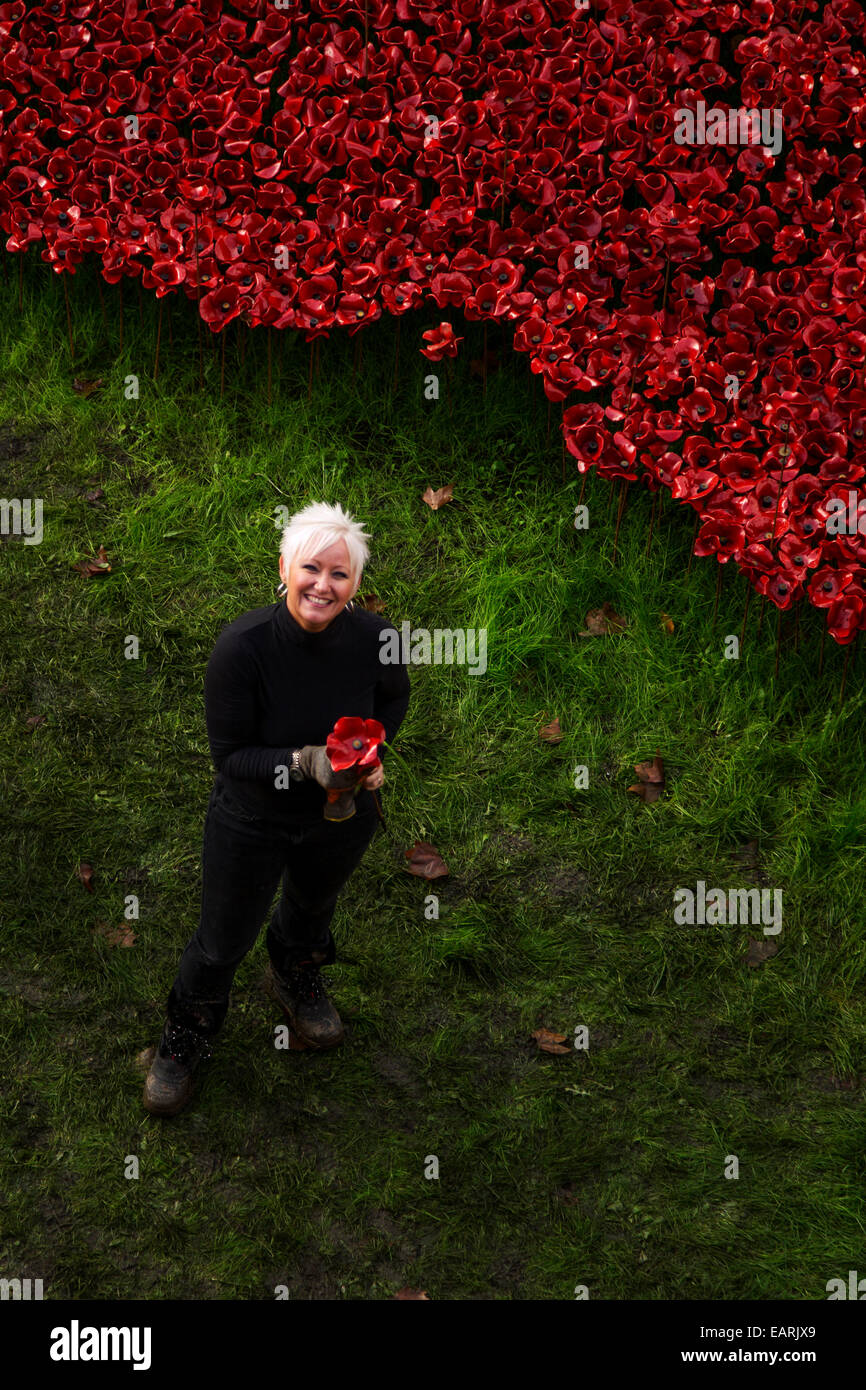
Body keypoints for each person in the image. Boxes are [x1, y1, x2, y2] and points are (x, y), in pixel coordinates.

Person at [143, 501, 411, 1116]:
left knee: (313, 907)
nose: (323, 585)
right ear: (285, 568)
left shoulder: (378, 640)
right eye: (311, 568)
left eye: (339, 574)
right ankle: (186, 1034)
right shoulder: (243, 648)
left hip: (340, 815)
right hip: (251, 819)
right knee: (221, 940)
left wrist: (370, 753)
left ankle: (294, 974)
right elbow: (230, 757)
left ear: (356, 584)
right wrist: (304, 761)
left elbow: (393, 701)